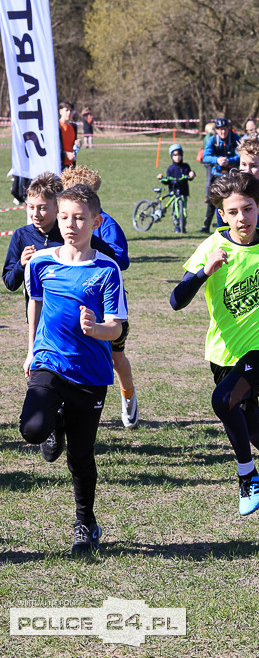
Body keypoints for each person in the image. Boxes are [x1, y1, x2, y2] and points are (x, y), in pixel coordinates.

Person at [170, 171, 259, 516]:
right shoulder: (212, 247)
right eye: (232, 212)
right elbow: (176, 300)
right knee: (249, 423)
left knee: (222, 401)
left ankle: (247, 475)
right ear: (222, 214)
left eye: (248, 209)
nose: (241, 218)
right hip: (224, 351)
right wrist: (205, 271)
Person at [19, 184, 127, 555]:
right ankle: (54, 423)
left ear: (96, 222)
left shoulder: (107, 269)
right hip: (49, 360)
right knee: (33, 429)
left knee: (80, 457)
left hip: (90, 373)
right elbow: (35, 303)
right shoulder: (40, 262)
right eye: (64, 216)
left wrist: (96, 329)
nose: (70, 224)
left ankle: (85, 523)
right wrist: (31, 350)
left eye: (79, 218)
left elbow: (116, 327)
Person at [60, 166, 139, 430]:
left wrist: (93, 244)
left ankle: (128, 396)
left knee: (116, 359)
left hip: (106, 308)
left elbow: (122, 259)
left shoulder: (107, 223)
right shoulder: (63, 224)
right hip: (71, 307)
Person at [4, 173, 120, 299]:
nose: (35, 214)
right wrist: (21, 265)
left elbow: (108, 258)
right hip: (37, 309)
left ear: (58, 208)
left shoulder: (71, 235)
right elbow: (10, 283)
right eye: (31, 207)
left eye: (42, 208)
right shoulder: (21, 236)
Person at [200, 117, 241, 233]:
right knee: (213, 200)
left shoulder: (235, 139)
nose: (223, 132)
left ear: (229, 129)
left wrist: (230, 160)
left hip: (232, 175)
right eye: (220, 129)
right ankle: (206, 225)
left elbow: (241, 155)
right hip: (217, 175)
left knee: (233, 200)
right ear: (216, 130)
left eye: (225, 129)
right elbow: (205, 156)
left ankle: (234, 225)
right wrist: (217, 160)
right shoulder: (212, 140)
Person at [164, 143, 196, 233]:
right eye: (174, 155)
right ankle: (176, 226)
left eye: (179, 155)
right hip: (174, 193)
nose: (177, 157)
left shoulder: (185, 166)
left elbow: (190, 176)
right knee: (175, 210)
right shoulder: (170, 169)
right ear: (171, 156)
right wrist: (162, 178)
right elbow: (167, 180)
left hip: (183, 192)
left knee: (184, 210)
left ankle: (183, 226)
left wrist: (192, 174)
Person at [58, 102, 79, 172]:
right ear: (60, 111)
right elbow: (52, 148)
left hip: (71, 166)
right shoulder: (56, 127)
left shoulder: (74, 127)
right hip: (59, 165)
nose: (69, 113)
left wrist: (77, 145)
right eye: (66, 110)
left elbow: (73, 146)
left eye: (71, 110)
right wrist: (65, 154)